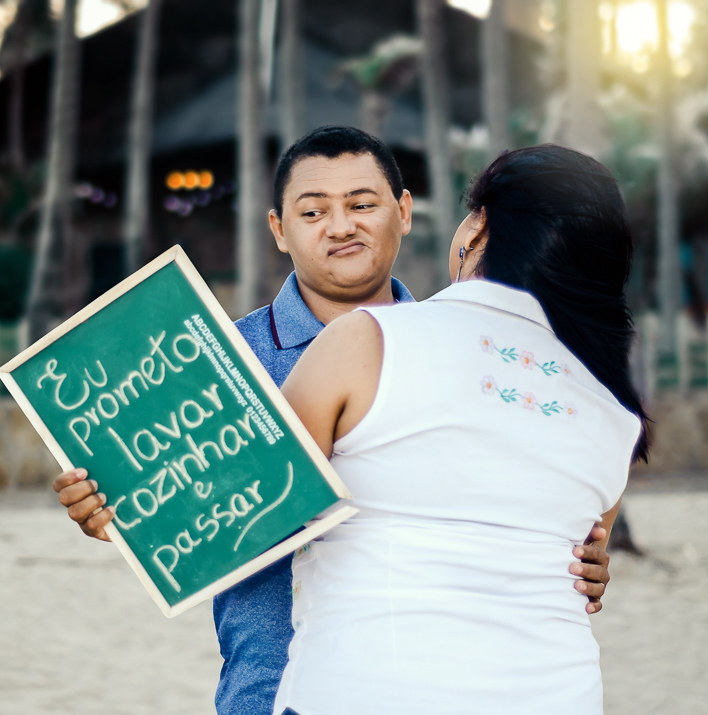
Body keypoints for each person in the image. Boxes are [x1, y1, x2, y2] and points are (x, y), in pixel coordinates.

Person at [52, 128, 617, 715]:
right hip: (267, 686)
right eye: (314, 210)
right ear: (279, 229)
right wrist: (118, 510)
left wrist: (579, 556)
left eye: (363, 204)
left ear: (403, 212)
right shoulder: (216, 362)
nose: (341, 225)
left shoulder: (471, 356)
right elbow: (175, 515)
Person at [272, 144, 648, 715]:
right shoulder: (614, 415)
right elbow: (580, 561)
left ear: (477, 230)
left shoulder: (366, 340)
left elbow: (240, 509)